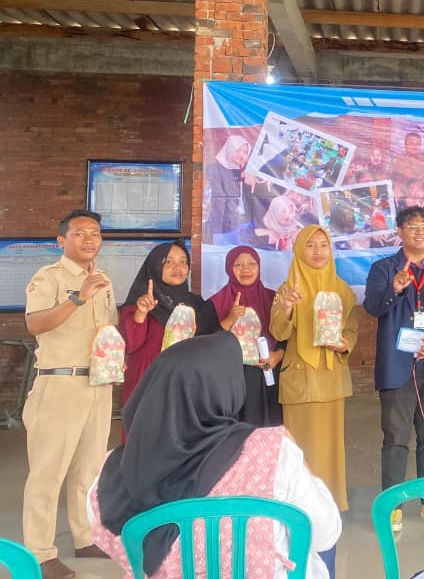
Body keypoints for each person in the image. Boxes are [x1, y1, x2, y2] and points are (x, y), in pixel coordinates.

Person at [87, 333, 341, 579]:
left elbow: (113, 542)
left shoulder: (112, 474)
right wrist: (296, 454)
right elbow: (326, 533)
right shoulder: (272, 451)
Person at [21, 210, 116, 579]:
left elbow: (107, 331)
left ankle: (85, 536)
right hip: (59, 385)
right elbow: (34, 323)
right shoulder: (48, 278)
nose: (89, 240)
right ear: (61, 240)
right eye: (79, 234)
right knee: (47, 473)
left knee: (88, 470)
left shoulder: (104, 280)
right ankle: (40, 553)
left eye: (95, 233)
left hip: (97, 385)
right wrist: (77, 298)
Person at [363, 207, 424, 530]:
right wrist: (393, 288)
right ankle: (393, 505)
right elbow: (372, 307)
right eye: (412, 226)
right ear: (400, 231)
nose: (420, 232)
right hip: (397, 366)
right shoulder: (383, 269)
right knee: (396, 437)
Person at [270, 225, 359, 512]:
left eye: (323, 245)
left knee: (330, 448)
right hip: (300, 380)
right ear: (299, 250)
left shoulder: (342, 290)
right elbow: (278, 332)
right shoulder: (288, 289)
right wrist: (286, 307)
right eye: (310, 245)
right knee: (299, 450)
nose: (318, 251)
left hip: (331, 378)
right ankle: (299, 510)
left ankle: (331, 507)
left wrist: (344, 344)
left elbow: (351, 330)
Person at [120, 241, 220, 410]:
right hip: (149, 382)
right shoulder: (140, 303)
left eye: (183, 261)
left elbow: (208, 344)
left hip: (187, 384)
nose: (178, 267)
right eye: (168, 262)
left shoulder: (197, 304)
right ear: (155, 266)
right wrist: (141, 313)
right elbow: (130, 345)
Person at [210, 245, 284, 426]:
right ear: (229, 268)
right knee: (238, 433)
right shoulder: (216, 302)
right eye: (238, 265)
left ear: (259, 267)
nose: (246, 269)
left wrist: (278, 356)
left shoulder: (274, 299)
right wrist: (230, 318)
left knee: (269, 431)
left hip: (270, 376)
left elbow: (288, 337)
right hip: (232, 380)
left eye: (252, 264)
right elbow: (207, 342)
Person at [206, 135, 252, 240]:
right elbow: (218, 203)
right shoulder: (217, 169)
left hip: (240, 223)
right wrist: (217, 234)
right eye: (238, 150)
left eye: (245, 152)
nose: (242, 154)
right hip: (225, 225)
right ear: (230, 149)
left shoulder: (244, 171)